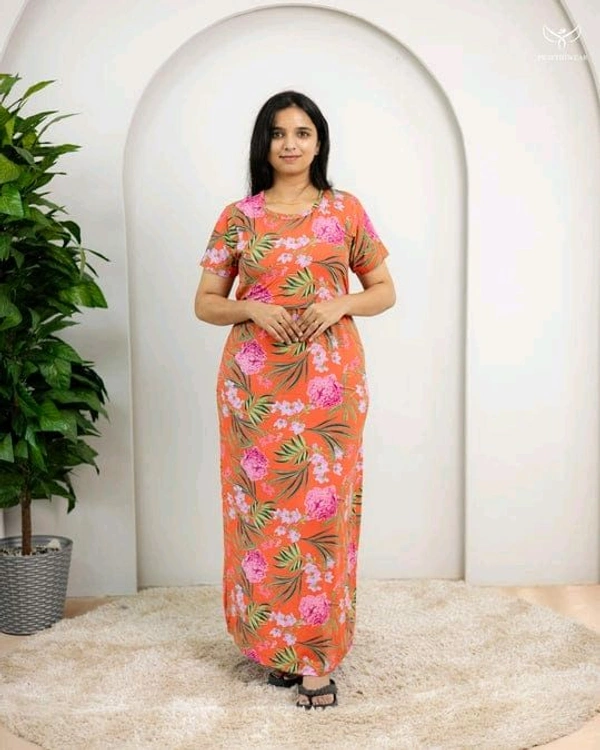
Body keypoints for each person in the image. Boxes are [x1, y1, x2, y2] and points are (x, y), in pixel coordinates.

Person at [194, 90, 396, 709]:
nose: (290, 143)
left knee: (322, 518)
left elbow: (384, 290)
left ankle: (318, 656)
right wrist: (250, 307)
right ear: (265, 143)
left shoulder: (345, 209)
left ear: (318, 142)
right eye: (279, 133)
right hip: (255, 389)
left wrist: (339, 303)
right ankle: (276, 648)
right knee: (263, 518)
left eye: (303, 132)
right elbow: (206, 303)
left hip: (329, 386)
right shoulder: (239, 217)